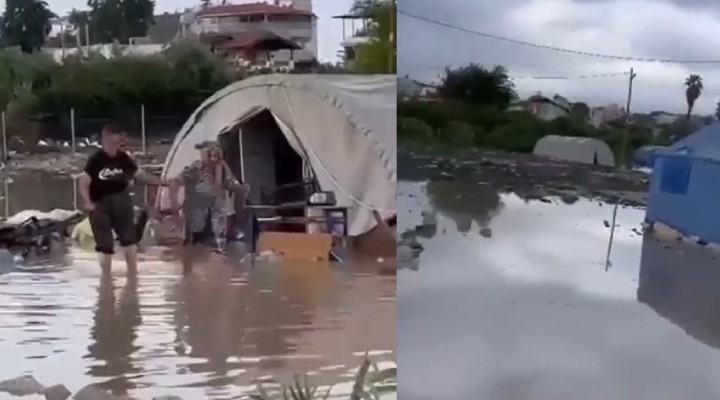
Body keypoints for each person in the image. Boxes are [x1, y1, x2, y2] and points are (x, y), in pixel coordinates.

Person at [78, 124, 171, 271]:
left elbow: (140, 176)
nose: (114, 146)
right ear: (104, 140)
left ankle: (133, 276)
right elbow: (83, 181)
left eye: (117, 142)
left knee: (129, 239)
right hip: (100, 202)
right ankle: (106, 278)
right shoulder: (95, 160)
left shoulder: (123, 158)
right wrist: (87, 202)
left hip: (122, 200)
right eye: (110, 142)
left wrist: (163, 183)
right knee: (105, 244)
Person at [168, 141, 246, 266]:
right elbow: (174, 182)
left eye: (205, 152)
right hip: (196, 218)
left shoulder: (222, 170)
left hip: (216, 220)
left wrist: (238, 212)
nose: (203, 156)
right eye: (204, 153)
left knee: (215, 253)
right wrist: (174, 205)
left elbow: (235, 188)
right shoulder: (195, 169)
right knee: (192, 252)